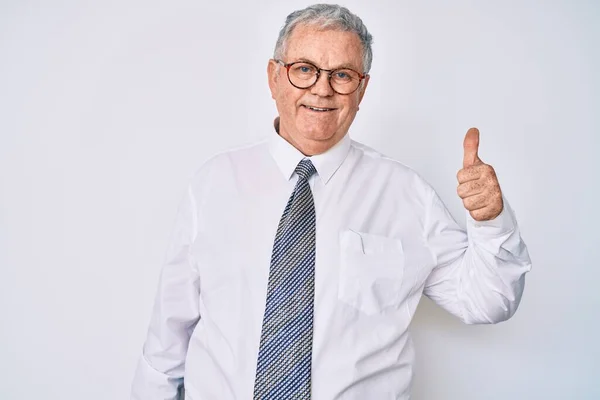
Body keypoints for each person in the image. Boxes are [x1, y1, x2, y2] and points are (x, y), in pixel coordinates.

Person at [131, 4, 532, 400]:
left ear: (362, 88)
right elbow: (167, 341)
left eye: (342, 74)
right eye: (304, 69)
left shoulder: (407, 194)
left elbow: (488, 301)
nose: (322, 89)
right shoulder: (213, 183)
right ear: (274, 77)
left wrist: (491, 220)